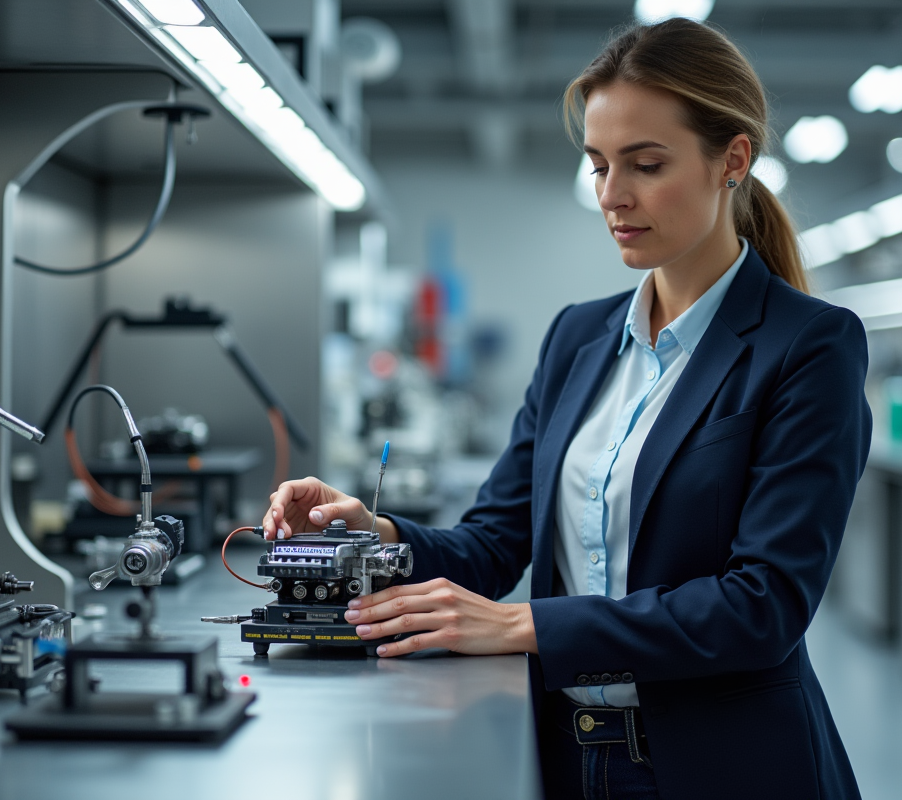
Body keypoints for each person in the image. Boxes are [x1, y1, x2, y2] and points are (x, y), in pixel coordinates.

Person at [262, 18, 869, 800]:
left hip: (724, 767)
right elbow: (494, 540)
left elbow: (763, 606)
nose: (613, 196)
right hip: (571, 761)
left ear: (733, 161)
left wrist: (527, 627)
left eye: (646, 165)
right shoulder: (579, 337)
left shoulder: (807, 345)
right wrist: (371, 534)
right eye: (598, 165)